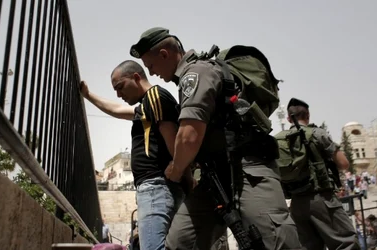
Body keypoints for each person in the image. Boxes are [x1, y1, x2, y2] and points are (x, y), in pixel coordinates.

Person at [129, 27, 301, 250]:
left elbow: (189, 136)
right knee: (181, 242)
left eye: (150, 66)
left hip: (248, 170)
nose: (152, 74)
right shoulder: (190, 77)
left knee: (275, 241)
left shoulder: (195, 74)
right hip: (216, 176)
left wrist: (176, 168)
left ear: (164, 54)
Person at [80, 60, 191, 250]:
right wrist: (88, 95)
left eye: (120, 87)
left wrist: (181, 171)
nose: (118, 94)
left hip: (156, 187)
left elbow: (174, 141)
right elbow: (116, 110)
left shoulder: (155, 96)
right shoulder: (148, 104)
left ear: (136, 77)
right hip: (157, 188)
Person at [275, 97, 360, 250]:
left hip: (297, 204)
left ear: (288, 118)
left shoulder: (281, 140)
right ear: (308, 115)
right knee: (345, 243)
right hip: (322, 199)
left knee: (308, 246)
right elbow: (344, 164)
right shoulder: (318, 134)